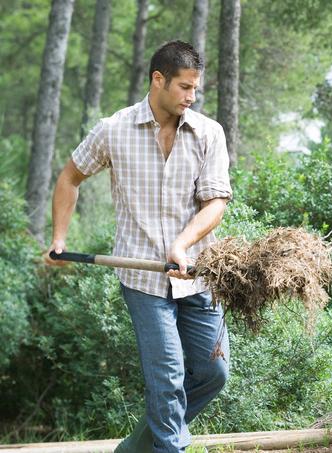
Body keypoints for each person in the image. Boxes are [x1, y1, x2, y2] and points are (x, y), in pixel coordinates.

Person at [44, 40, 232, 453]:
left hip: (198, 275)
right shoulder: (114, 130)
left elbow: (215, 203)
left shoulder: (208, 134)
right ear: (158, 80)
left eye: (195, 88)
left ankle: (134, 449)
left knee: (214, 372)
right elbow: (69, 178)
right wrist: (60, 239)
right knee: (167, 377)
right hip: (142, 281)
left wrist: (182, 244)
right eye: (184, 87)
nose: (191, 96)